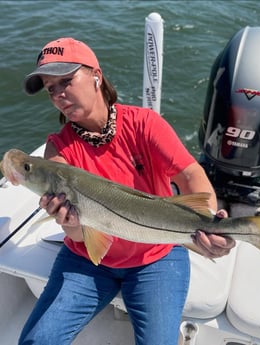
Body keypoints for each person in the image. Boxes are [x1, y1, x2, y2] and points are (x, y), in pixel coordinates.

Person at [19, 37, 236, 345]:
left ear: (96, 75)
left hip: (157, 254)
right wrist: (71, 225)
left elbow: (189, 174)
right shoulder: (58, 150)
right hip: (88, 261)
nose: (58, 95)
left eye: (66, 80)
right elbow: (80, 237)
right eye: (50, 88)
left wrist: (210, 222)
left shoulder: (144, 124)